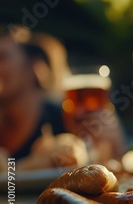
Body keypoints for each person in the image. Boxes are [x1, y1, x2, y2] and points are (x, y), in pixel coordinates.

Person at [0, 26, 125, 163]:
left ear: (36, 67)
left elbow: (101, 165)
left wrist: (113, 148)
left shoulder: (66, 122)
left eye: (3, 57)